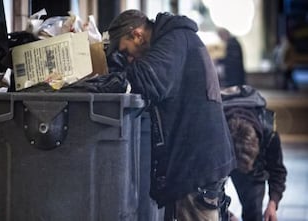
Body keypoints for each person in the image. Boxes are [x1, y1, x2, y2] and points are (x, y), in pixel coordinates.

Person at [107, 10, 236, 221]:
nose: (128, 58)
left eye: (125, 50)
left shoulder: (174, 39)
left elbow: (148, 81)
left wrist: (116, 67)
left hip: (197, 164)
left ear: (137, 35)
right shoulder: (176, 39)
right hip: (198, 159)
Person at [221, 85, 287, 221]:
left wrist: (272, 204)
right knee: (208, 207)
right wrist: (225, 214)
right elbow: (201, 184)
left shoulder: (269, 133)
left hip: (253, 167)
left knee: (253, 212)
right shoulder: (214, 135)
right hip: (222, 156)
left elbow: (277, 171)